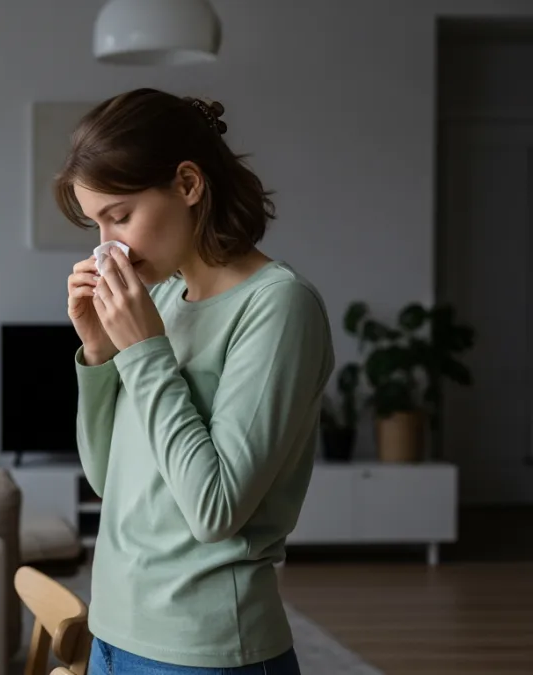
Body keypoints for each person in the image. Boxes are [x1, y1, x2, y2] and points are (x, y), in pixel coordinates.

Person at [60, 88, 333, 674]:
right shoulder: (159, 297)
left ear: (188, 185)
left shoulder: (278, 306)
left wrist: (144, 350)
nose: (108, 249)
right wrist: (99, 353)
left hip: (204, 651)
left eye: (120, 216)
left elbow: (215, 511)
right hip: (110, 631)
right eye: (96, 225)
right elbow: (108, 481)